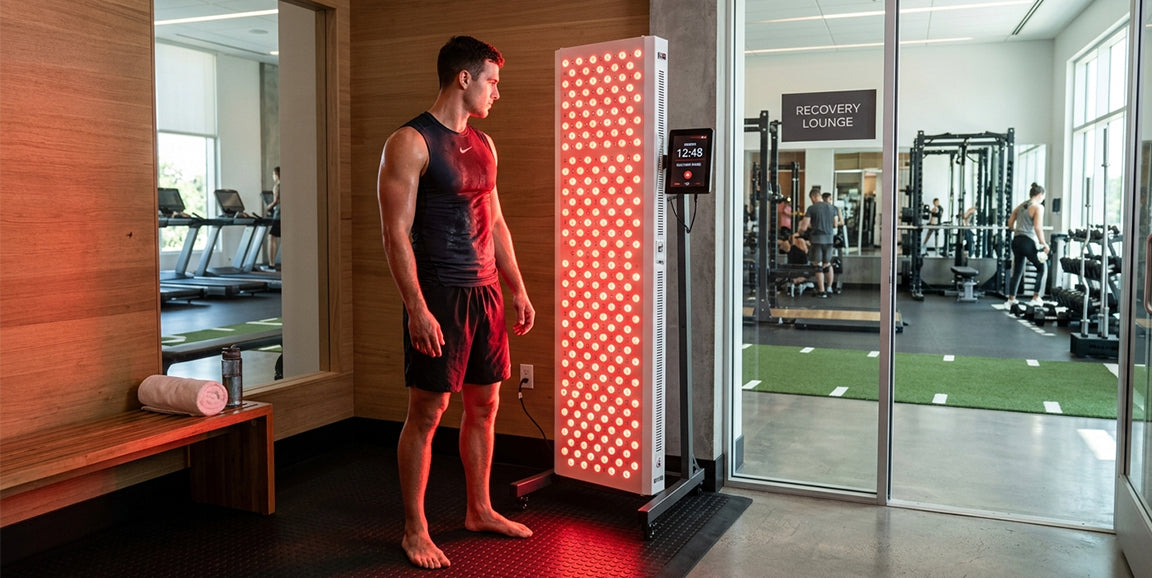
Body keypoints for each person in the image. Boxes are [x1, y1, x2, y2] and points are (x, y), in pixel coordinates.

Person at [376, 35, 534, 570]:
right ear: (463, 78)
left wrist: (516, 288)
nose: (496, 92)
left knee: (485, 405)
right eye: (491, 81)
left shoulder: (485, 144)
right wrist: (417, 308)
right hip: (440, 292)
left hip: (486, 292)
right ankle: (414, 529)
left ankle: (479, 510)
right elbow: (395, 235)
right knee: (428, 411)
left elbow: (497, 223)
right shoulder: (410, 142)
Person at [1006, 183, 1049, 306]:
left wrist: (1012, 227)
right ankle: (1036, 297)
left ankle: (1011, 299)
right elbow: (1038, 227)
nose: (1043, 199)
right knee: (1042, 267)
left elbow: (1011, 218)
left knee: (1018, 270)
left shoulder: (1023, 205)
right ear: (1040, 194)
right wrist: (1044, 244)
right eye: (1044, 197)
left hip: (1016, 241)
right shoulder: (1038, 207)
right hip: (1027, 241)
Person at [800, 185, 838, 297]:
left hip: (817, 240)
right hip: (829, 240)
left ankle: (822, 291)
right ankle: (829, 288)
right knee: (827, 264)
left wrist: (802, 233)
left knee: (818, 265)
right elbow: (835, 224)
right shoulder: (832, 208)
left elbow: (804, 227)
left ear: (813, 197)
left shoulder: (812, 208)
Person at [266, 166, 281, 268]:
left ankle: (271, 264)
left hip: (279, 214)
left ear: (276, 175)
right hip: (286, 215)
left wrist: (269, 207)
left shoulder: (277, 186)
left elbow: (276, 201)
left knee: (271, 237)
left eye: (273, 174)